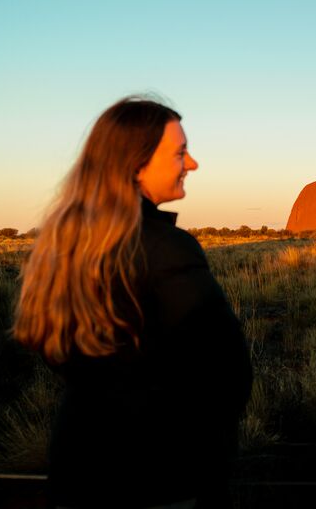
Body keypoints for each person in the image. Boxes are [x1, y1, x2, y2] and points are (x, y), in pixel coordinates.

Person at [14, 97, 252, 508]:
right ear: (137, 163)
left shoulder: (64, 244)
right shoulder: (166, 249)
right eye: (180, 152)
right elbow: (228, 373)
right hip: (157, 480)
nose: (192, 164)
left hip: (77, 469)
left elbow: (61, 355)